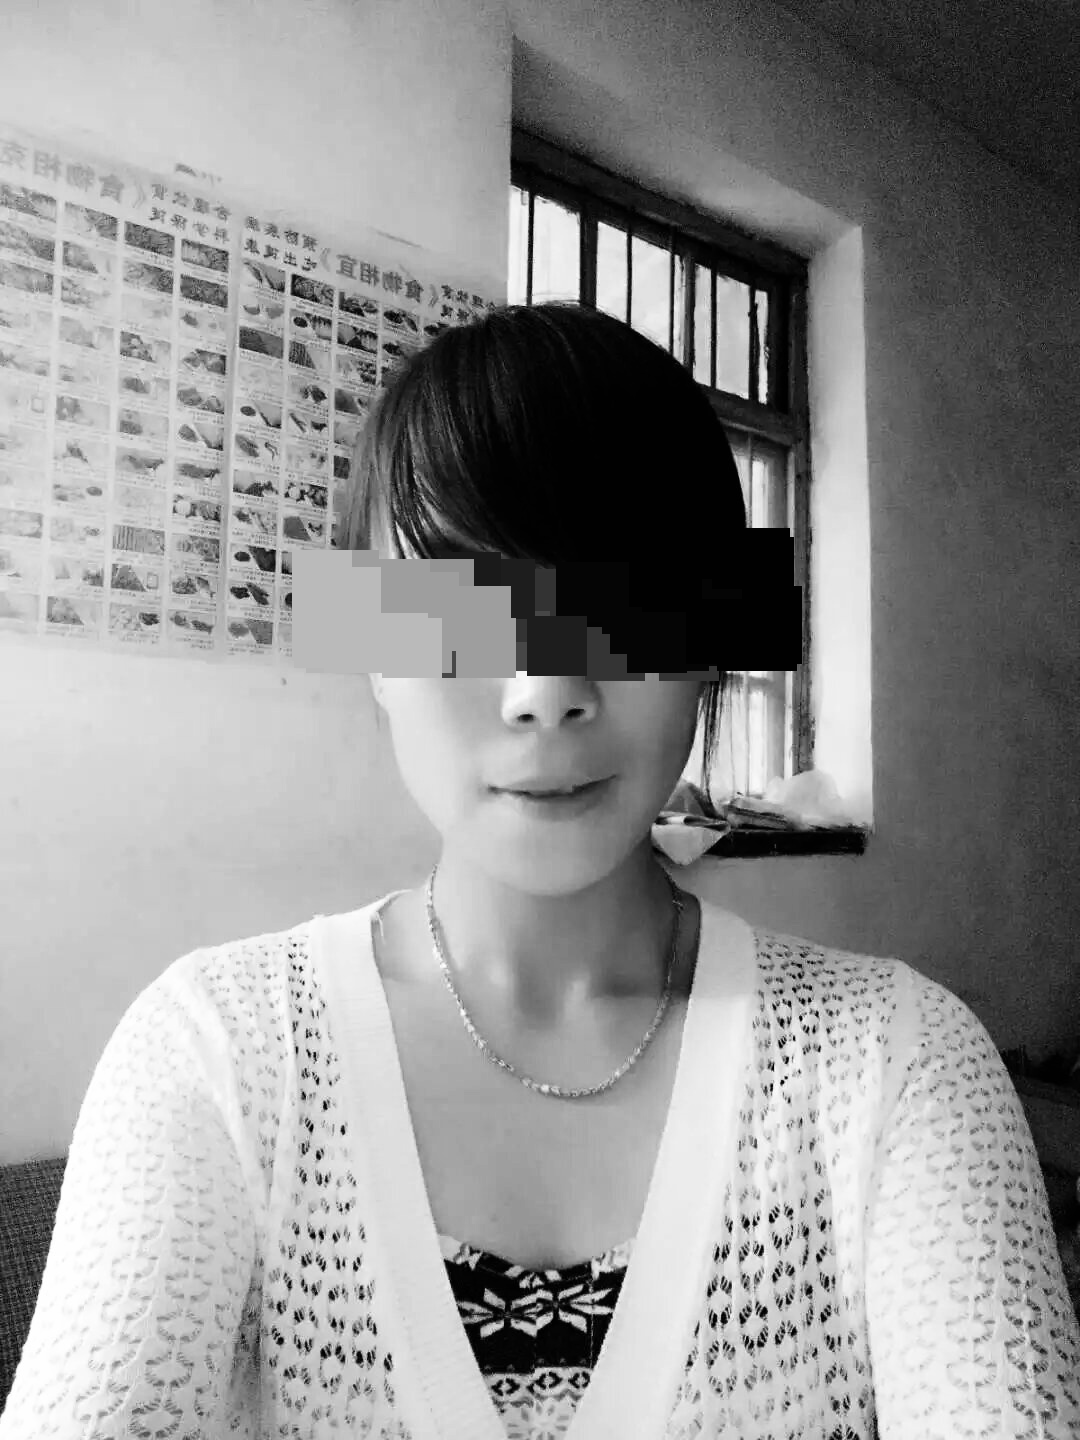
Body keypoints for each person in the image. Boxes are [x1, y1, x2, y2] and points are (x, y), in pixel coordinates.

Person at [2, 302, 1077, 1439]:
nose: (545, 690)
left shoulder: (900, 1068)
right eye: (463, 610)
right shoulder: (215, 1054)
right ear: (374, 655)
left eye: (626, 598)